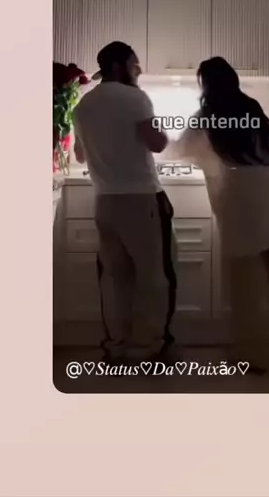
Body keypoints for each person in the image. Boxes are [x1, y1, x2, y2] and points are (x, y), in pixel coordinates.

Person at [167, 56, 269, 373]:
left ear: (206, 85)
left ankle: (253, 356)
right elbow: (267, 150)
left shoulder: (207, 116)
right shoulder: (252, 109)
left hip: (239, 200)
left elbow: (179, 150)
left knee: (245, 286)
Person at [72, 41, 177, 364]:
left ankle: (116, 345)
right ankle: (150, 346)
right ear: (119, 67)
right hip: (141, 199)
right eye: (134, 65)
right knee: (153, 275)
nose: (138, 70)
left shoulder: (83, 105)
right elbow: (157, 143)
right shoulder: (135, 98)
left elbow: (80, 156)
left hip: (105, 201)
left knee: (115, 277)